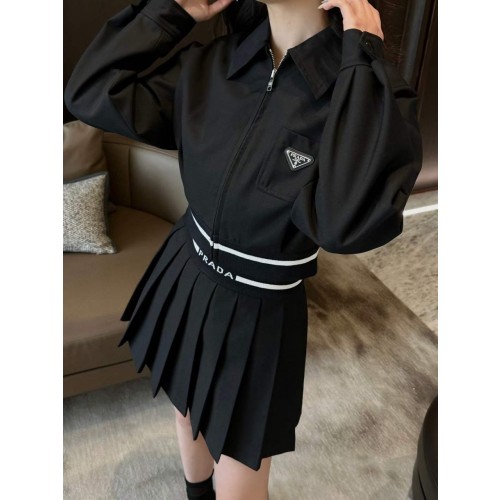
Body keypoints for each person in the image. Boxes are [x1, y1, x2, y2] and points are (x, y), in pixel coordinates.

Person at [64, 0, 423, 498]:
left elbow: (346, 226)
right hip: (184, 267)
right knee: (185, 403)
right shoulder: (216, 63)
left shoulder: (356, 88)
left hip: (259, 306)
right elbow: (90, 92)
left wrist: (362, 58)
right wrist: (171, 13)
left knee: (240, 452)